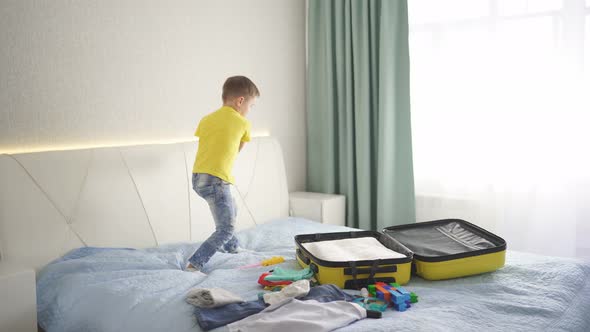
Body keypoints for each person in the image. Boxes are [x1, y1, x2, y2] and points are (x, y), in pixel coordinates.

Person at [186, 76, 259, 272]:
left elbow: (208, 144)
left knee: (231, 208)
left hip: (197, 178)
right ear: (241, 101)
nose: (249, 111)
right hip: (217, 180)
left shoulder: (206, 119)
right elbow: (237, 149)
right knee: (225, 228)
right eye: (251, 106)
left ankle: (232, 247)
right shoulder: (243, 123)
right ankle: (195, 264)